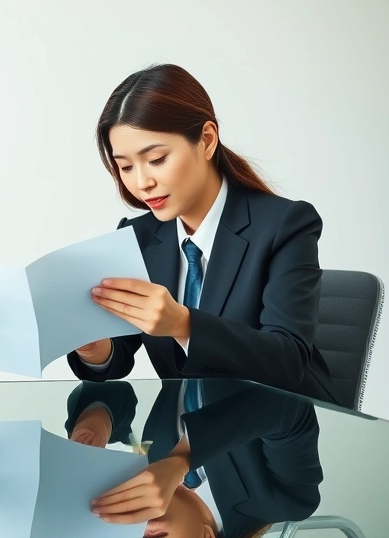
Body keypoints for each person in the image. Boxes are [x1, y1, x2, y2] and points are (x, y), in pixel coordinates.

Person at [67, 63, 336, 403]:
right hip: (185, 441)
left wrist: (183, 324)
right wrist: (94, 347)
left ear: (207, 140)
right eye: (125, 166)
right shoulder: (138, 236)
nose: (141, 182)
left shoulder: (286, 224)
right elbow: (119, 353)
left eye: (157, 159)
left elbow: (288, 361)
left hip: (274, 435)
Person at [65, 378, 324, 538]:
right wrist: (183, 458)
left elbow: (118, 387)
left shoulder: (151, 465)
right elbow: (291, 406)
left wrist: (95, 421)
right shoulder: (285, 501)